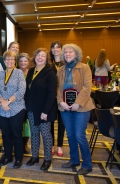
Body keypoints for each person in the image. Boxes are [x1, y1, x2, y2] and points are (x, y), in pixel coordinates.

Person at [57, 43, 95, 175]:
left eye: (70, 52)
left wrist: (78, 103)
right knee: (71, 135)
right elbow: (57, 88)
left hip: (81, 107)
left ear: (76, 54)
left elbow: (87, 87)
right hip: (65, 107)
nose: (67, 54)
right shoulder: (60, 69)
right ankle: (74, 160)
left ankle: (87, 164)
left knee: (80, 135)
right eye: (66, 52)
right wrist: (61, 102)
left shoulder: (84, 68)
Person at [25, 48, 57, 170]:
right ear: (34, 57)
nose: (40, 57)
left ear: (46, 59)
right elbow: (28, 90)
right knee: (34, 133)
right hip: (32, 109)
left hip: (44, 110)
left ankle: (47, 159)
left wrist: (45, 111)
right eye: (38, 55)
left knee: (46, 135)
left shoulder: (50, 72)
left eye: (43, 56)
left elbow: (51, 93)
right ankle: (34, 157)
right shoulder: (31, 71)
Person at [0, 51, 26, 168]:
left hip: (16, 108)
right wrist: (2, 102)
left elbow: (21, 91)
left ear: (15, 61)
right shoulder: (1, 74)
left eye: (12, 59)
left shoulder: (19, 73)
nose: (10, 61)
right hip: (2, 109)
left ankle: (18, 158)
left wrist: (8, 101)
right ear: (4, 61)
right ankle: (8, 156)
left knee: (16, 134)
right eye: (7, 59)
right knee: (5, 134)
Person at [49, 40, 65, 157]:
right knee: (50, 122)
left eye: (58, 47)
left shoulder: (66, 62)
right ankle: (51, 145)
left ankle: (59, 145)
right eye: (53, 47)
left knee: (61, 122)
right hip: (51, 97)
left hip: (63, 97)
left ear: (61, 49)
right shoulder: (48, 63)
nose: (56, 49)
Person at [18, 53, 31, 154]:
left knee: (27, 125)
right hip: (17, 102)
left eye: (25, 61)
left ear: (28, 62)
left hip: (28, 102)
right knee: (18, 123)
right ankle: (18, 144)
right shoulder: (15, 73)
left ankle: (24, 144)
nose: (23, 63)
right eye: (21, 61)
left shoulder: (31, 73)